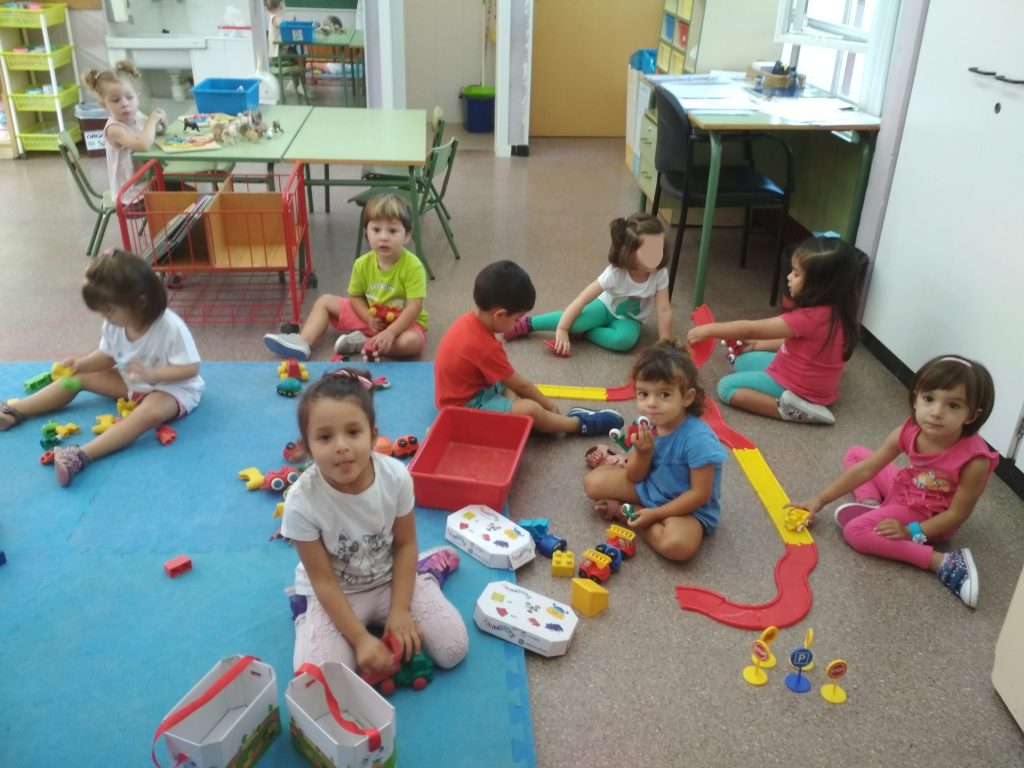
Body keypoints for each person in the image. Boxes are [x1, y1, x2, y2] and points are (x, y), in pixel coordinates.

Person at [280, 368, 469, 674]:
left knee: (453, 649)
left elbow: (405, 545)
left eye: (353, 432)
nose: (341, 446)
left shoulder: (396, 476)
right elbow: (323, 580)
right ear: (307, 445)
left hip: (390, 579)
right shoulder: (301, 500)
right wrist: (360, 639)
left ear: (373, 436)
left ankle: (427, 572)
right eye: (325, 437)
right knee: (323, 678)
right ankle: (303, 609)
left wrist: (400, 610)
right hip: (336, 591)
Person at [787, 355, 998, 609]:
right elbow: (867, 468)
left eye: (953, 405)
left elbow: (956, 515)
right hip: (906, 488)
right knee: (856, 455)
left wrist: (912, 532)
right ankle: (872, 505)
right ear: (916, 398)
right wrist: (818, 500)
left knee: (855, 532)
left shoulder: (974, 460)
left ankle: (943, 562)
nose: (936, 412)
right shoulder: (908, 431)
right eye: (929, 399)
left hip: (930, 516)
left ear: (971, 415)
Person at [0, 249, 204, 486]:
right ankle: (16, 411)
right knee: (78, 378)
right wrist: (81, 364)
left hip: (172, 388)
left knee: (147, 414)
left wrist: (154, 374)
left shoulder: (170, 327)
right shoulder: (114, 325)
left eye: (110, 310)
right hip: (133, 384)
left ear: (141, 301)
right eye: (102, 312)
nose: (106, 318)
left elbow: (191, 369)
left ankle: (81, 455)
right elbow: (107, 356)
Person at [434, 260, 624, 436]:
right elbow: (521, 385)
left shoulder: (468, 320)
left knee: (509, 386)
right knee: (531, 409)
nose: (518, 323)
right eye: (517, 319)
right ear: (499, 315)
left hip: (470, 391)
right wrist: (548, 405)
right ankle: (577, 424)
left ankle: (519, 416)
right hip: (462, 411)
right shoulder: (485, 346)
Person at [685, 236, 861, 425]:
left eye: (796, 274)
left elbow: (752, 329)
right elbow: (799, 343)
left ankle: (794, 410)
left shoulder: (808, 318)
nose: (789, 277)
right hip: (811, 381)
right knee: (742, 361)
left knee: (726, 387)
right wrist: (757, 345)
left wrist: (710, 329)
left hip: (799, 387)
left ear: (819, 285)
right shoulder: (836, 311)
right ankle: (798, 400)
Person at [583, 340, 726, 561]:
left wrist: (655, 514)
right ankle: (636, 510)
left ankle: (628, 513)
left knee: (677, 546)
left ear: (687, 397)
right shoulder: (648, 424)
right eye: (643, 394)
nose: (651, 404)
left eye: (664, 395)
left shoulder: (699, 440)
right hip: (650, 487)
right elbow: (635, 475)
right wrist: (643, 453)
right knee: (592, 483)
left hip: (687, 508)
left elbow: (699, 494)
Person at [263, 195, 428, 361]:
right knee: (325, 301)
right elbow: (355, 297)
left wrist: (391, 332)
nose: (383, 237)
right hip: (371, 318)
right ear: (367, 233)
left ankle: (363, 343)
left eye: (392, 231)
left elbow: (414, 307)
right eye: (376, 230)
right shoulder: (362, 264)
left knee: (412, 342)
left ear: (407, 235)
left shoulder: (413, 266)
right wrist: (368, 317)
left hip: (402, 323)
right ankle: (304, 341)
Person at [503, 213, 672, 355]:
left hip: (630, 319)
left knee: (623, 341)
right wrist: (563, 329)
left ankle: (584, 332)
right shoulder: (615, 274)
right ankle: (529, 324)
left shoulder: (659, 274)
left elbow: (664, 310)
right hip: (604, 308)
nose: (657, 255)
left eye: (660, 248)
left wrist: (665, 344)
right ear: (628, 253)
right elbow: (582, 299)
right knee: (574, 322)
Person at [81, 61, 167, 196]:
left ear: (137, 98)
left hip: (151, 181)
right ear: (104, 105)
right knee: (183, 199)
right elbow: (142, 144)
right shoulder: (114, 129)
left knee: (191, 195)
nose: (125, 104)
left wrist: (161, 121)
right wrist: (152, 121)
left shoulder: (137, 116)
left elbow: (156, 132)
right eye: (116, 100)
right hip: (131, 194)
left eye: (129, 97)